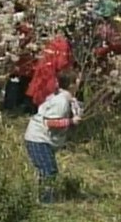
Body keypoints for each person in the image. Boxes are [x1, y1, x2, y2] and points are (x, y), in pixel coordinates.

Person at [24, 70, 82, 203]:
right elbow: (50, 122)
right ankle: (45, 201)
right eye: (77, 80)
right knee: (49, 170)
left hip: (43, 139)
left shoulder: (66, 98)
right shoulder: (61, 101)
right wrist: (71, 122)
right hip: (38, 138)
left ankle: (42, 197)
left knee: (46, 169)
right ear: (72, 84)